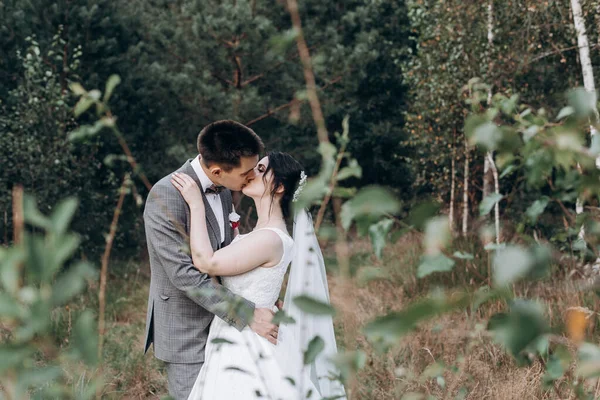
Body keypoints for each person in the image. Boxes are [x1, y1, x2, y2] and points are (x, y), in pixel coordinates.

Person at [171, 151, 347, 399]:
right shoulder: (259, 234)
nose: (252, 172)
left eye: (262, 170)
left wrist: (196, 204)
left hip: (247, 340)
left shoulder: (270, 238)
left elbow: (206, 262)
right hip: (238, 327)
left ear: (279, 187)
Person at [143, 120, 279, 400]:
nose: (252, 176)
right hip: (187, 329)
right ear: (217, 170)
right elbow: (185, 275)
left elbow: (227, 256)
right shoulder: (165, 196)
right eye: (246, 171)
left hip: (227, 328)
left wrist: (262, 293)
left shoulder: (225, 189)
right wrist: (248, 312)